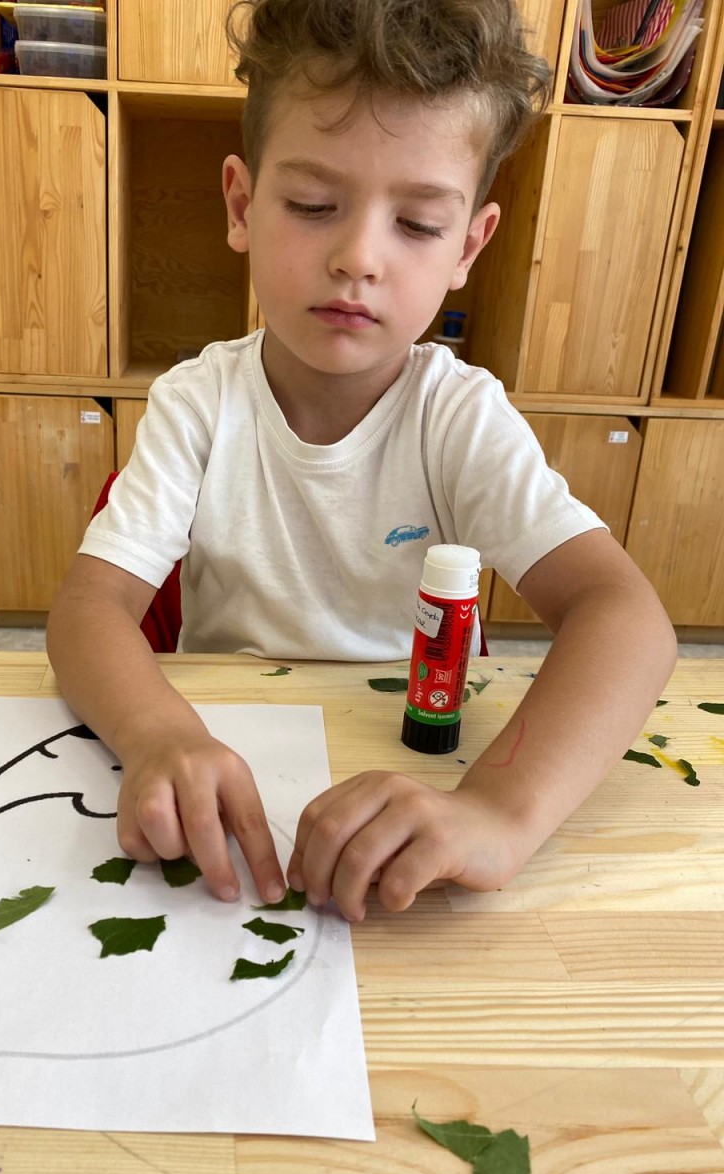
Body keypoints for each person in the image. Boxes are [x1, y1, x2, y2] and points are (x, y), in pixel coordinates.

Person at [47, 0, 677, 922]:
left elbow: (627, 617)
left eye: (417, 224)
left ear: (468, 247)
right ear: (241, 206)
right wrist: (154, 735)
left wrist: (500, 810)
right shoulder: (198, 402)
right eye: (312, 207)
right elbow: (89, 610)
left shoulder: (458, 416)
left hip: (413, 775)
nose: (357, 258)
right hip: (233, 774)